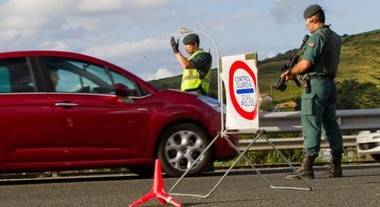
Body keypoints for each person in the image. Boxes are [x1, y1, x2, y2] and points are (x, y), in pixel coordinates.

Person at [281, 4, 343, 179]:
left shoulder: (316, 37)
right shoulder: (336, 37)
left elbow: (306, 63)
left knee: (311, 123)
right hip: (330, 85)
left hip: (316, 86)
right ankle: (336, 166)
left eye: (307, 22)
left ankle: (307, 167)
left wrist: (291, 72)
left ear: (314, 19)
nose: (306, 25)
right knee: (331, 125)